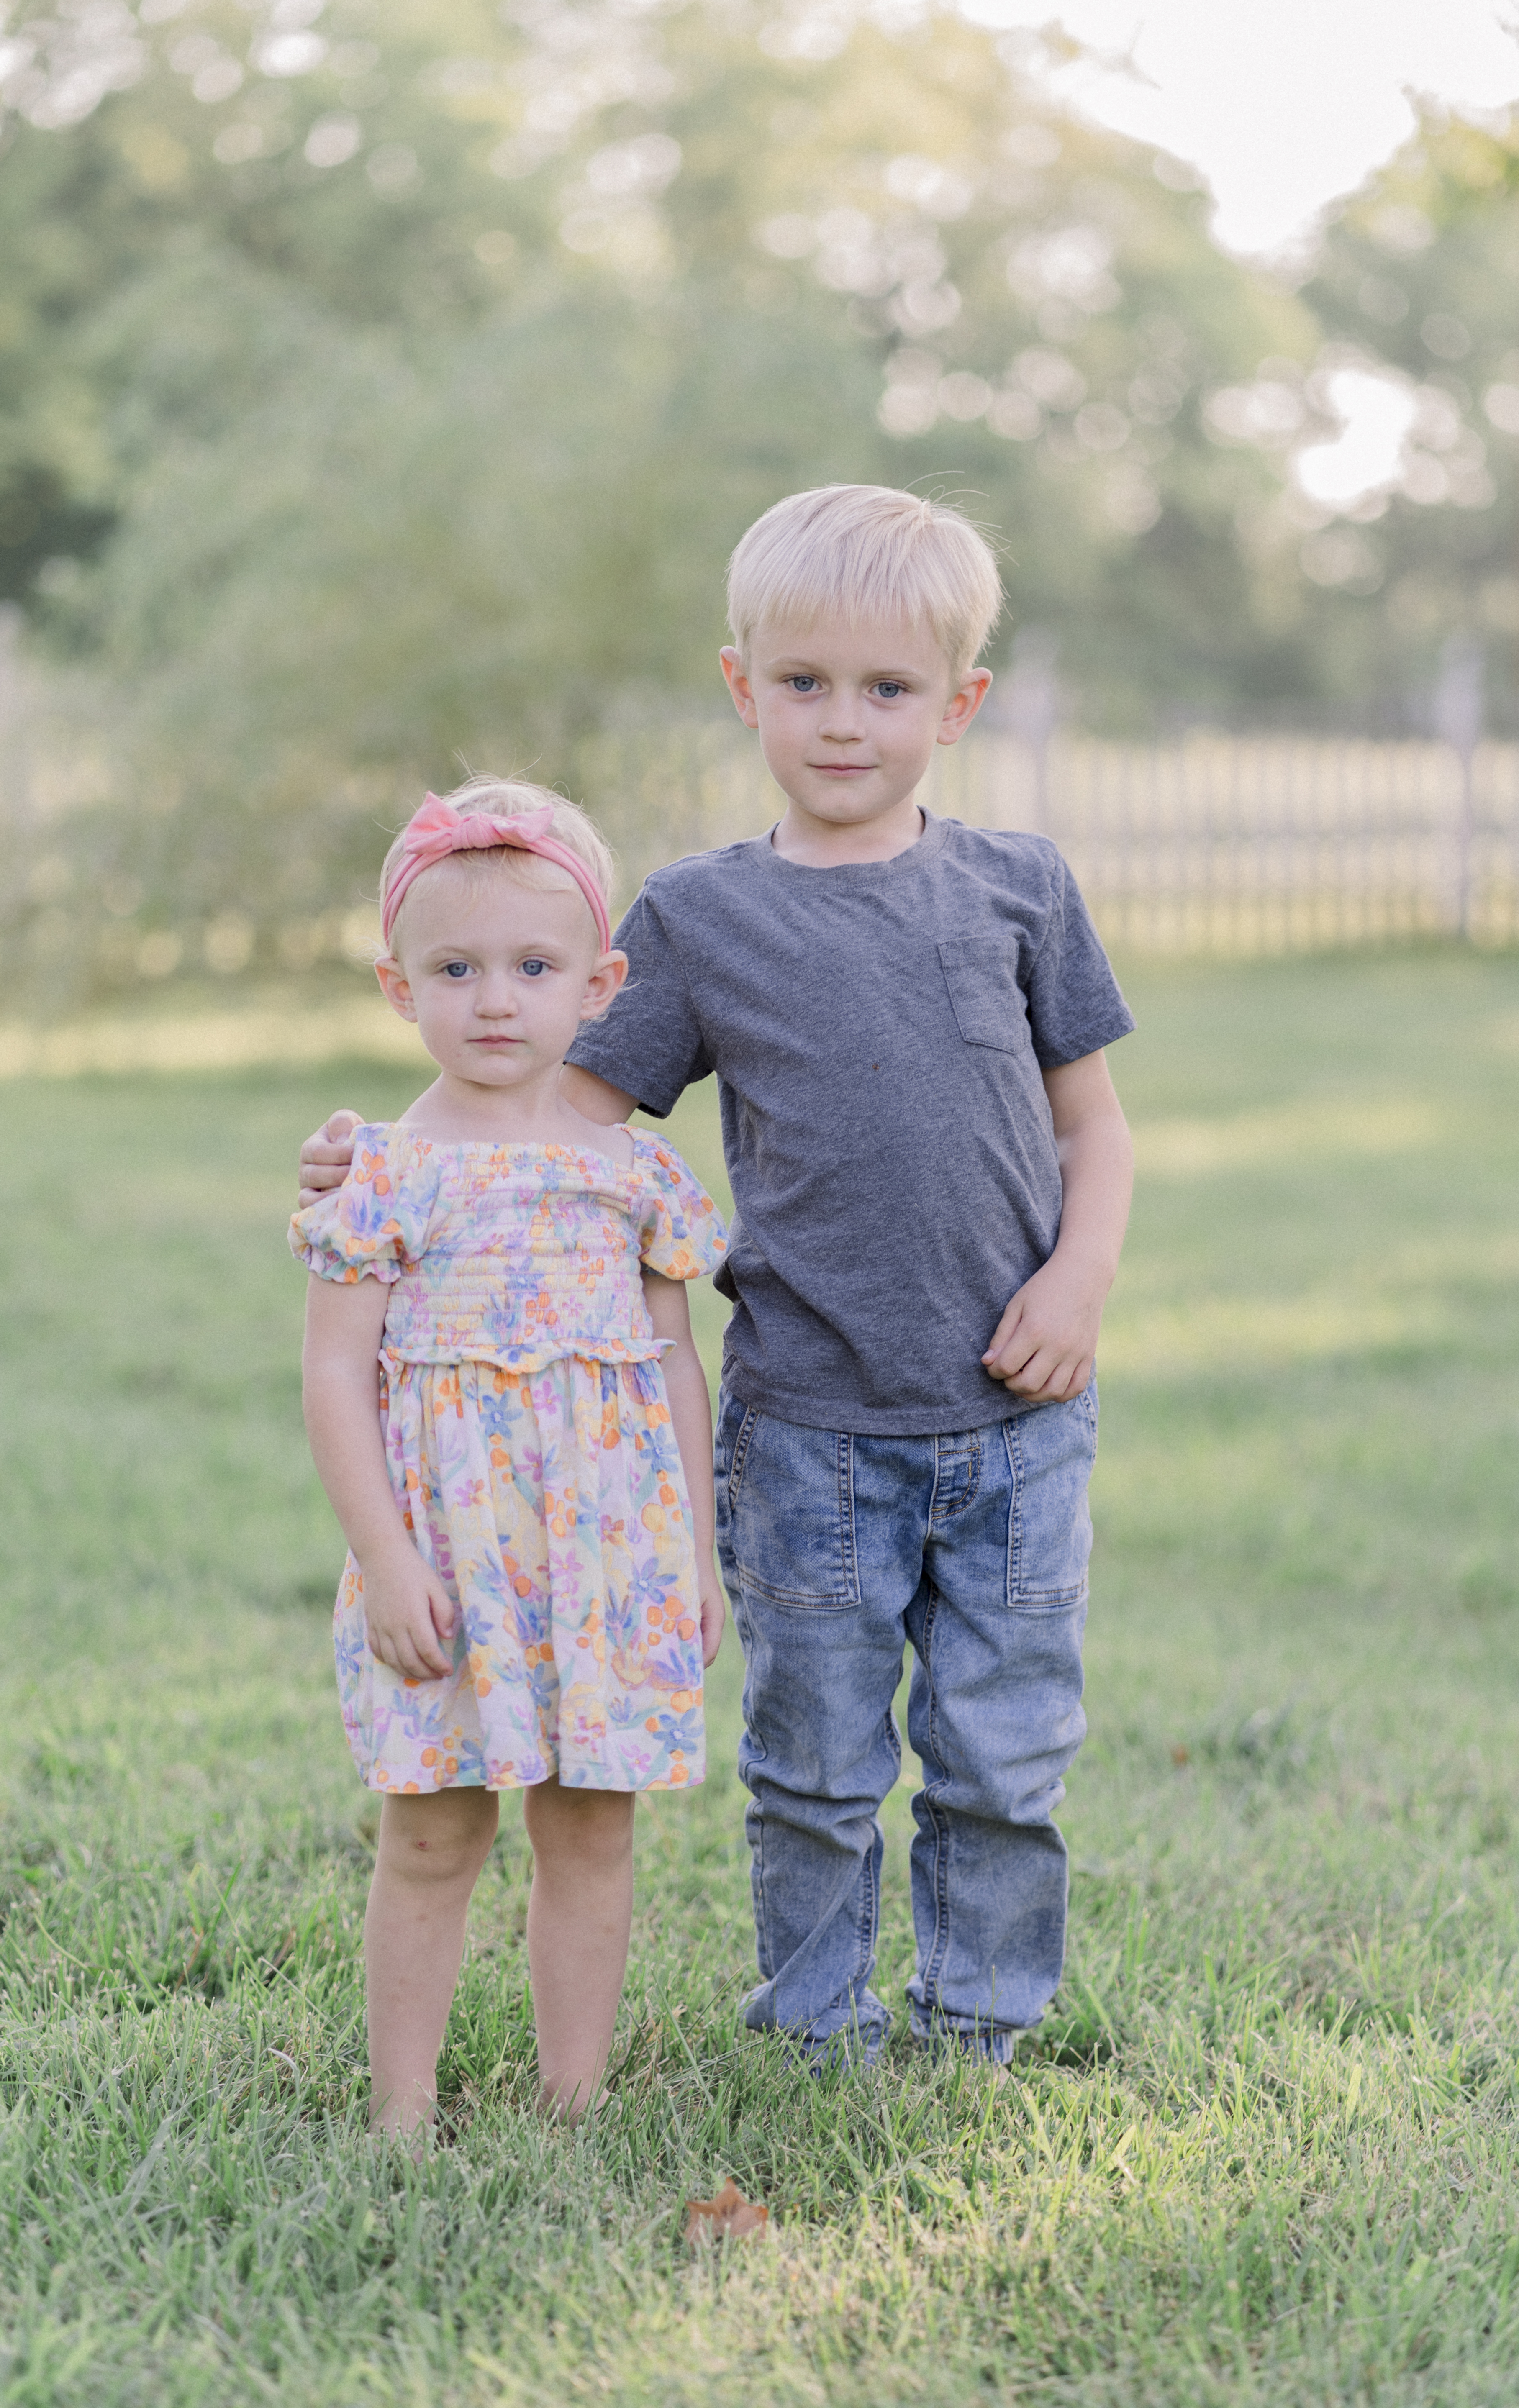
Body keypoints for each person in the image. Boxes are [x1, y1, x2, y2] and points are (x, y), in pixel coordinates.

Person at [301, 485, 1135, 2070]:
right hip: (808, 1429)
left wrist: (1081, 1276)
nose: (844, 722)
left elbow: (1094, 1124)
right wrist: (368, 1164)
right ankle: (813, 2028)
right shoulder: (695, 915)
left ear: (956, 704)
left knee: (1003, 1756)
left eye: (889, 689)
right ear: (744, 685)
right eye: (805, 683)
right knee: (816, 1762)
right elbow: (546, 1115)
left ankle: (979, 2032)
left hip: (1022, 1417)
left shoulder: (1021, 888)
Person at [290, 777, 728, 2136]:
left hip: (609, 1552)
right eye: (457, 968)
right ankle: (404, 2112)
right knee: (436, 1829)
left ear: (599, 984)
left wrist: (698, 1559)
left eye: (534, 967)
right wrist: (384, 1555)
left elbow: (670, 1368)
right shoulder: (382, 1173)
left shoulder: (629, 1175)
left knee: (592, 1824)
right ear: (396, 981)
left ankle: (572, 2104)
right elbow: (332, 1375)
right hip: (447, 1558)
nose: (496, 999)